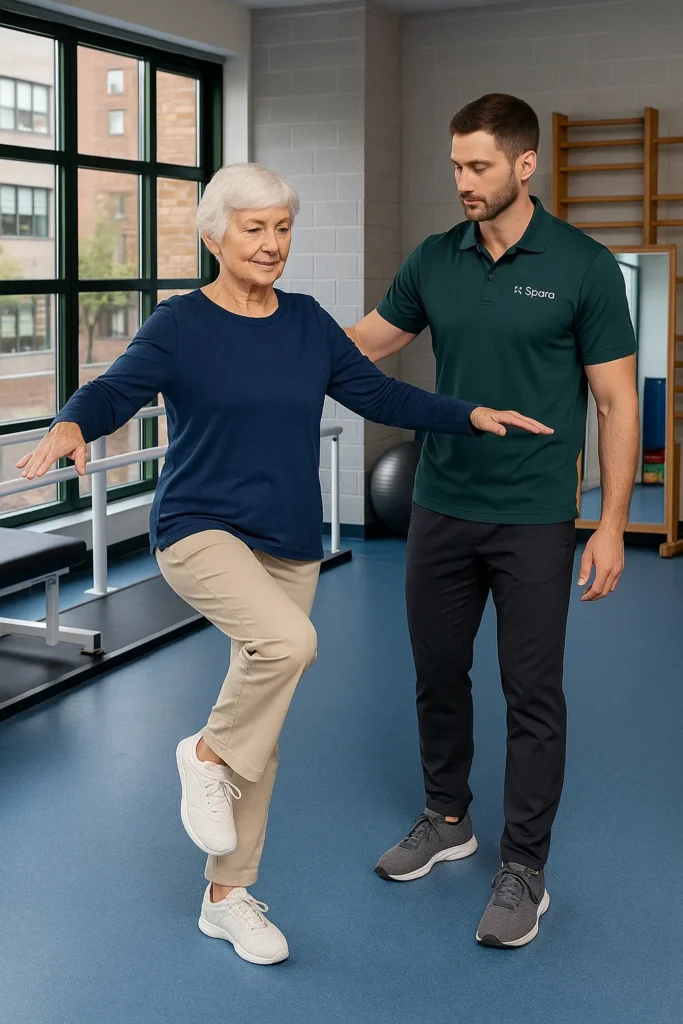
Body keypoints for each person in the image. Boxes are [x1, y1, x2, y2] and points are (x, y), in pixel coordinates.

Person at [17, 162, 552, 967]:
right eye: (253, 228)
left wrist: (467, 413)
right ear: (214, 236)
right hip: (198, 529)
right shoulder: (179, 323)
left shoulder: (305, 322)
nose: (271, 244)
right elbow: (115, 390)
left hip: (290, 540)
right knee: (287, 647)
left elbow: (379, 395)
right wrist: (71, 422)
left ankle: (225, 898)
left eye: (281, 228)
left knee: (260, 734)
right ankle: (203, 754)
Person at [346, 94, 639, 948]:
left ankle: (524, 867)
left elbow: (616, 402)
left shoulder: (583, 266)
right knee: (437, 672)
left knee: (530, 692)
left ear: (523, 164)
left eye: (477, 166)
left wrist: (611, 524)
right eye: (455, 166)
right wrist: (263, 327)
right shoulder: (435, 259)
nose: (462, 182)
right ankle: (446, 818)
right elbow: (363, 342)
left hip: (534, 515)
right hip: (440, 504)